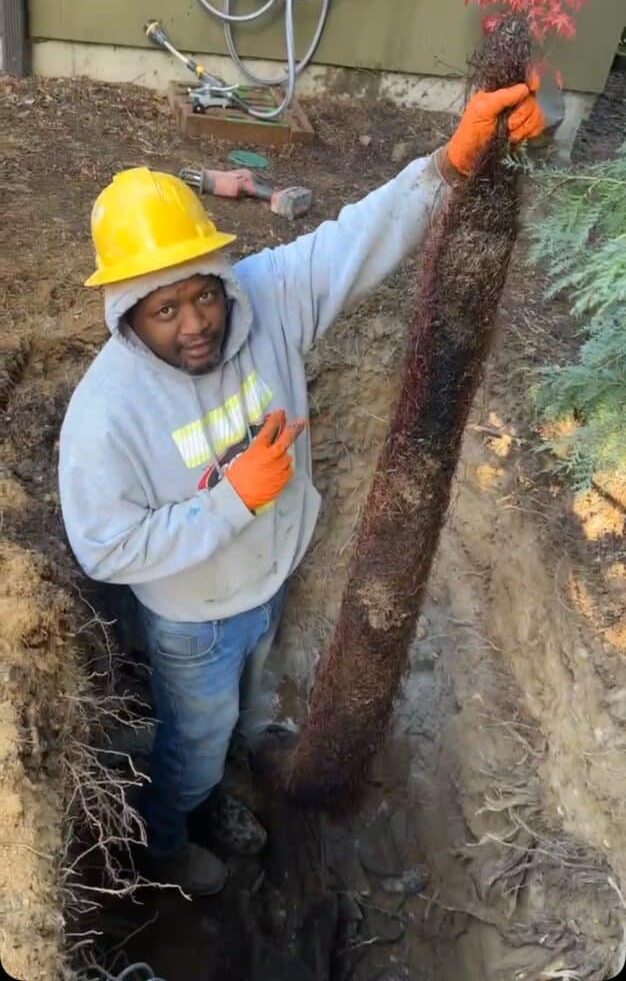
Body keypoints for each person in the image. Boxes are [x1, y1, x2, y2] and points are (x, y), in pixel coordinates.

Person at [59, 82, 544, 895]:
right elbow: (105, 546)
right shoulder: (105, 416)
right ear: (126, 314)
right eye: (164, 308)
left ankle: (240, 771)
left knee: (247, 708)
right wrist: (233, 498)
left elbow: (358, 237)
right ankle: (172, 842)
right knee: (191, 740)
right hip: (192, 624)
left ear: (222, 271)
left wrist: (453, 164)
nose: (195, 324)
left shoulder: (270, 297)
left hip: (270, 580)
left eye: (202, 292)